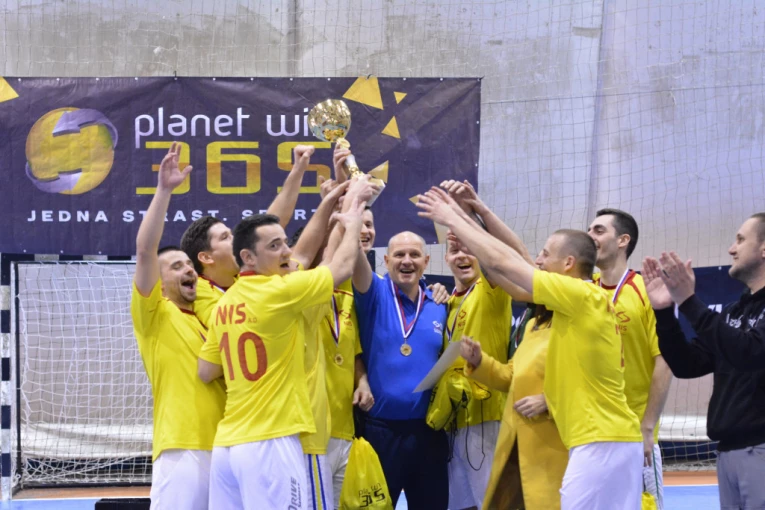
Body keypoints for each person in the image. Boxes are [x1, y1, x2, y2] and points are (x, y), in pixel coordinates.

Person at [416, 187, 643, 510]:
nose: (537, 260)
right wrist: (476, 215)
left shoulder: (583, 296)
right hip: (594, 440)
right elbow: (510, 263)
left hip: (602, 441)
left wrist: (453, 218)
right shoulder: (561, 310)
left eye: (545, 254)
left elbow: (506, 262)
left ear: (568, 263)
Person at [196, 185, 367, 509]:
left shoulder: (227, 301)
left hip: (228, 443)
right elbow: (341, 266)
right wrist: (354, 220)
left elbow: (206, 370)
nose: (287, 252)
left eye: (284, 242)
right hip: (271, 441)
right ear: (248, 257)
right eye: (275, 246)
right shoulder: (281, 292)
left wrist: (329, 202)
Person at [642, 213, 765, 510]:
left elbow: (749, 352)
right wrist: (664, 312)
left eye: (740, 239)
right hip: (728, 452)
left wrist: (689, 301)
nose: (731, 249)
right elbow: (688, 365)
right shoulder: (735, 311)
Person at [130, 143, 226, 510]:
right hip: (182, 448)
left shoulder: (209, 317)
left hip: (227, 447)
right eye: (176, 266)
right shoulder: (154, 315)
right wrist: (164, 191)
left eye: (189, 264)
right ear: (158, 282)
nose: (188, 269)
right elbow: (145, 250)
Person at [432, 180, 530, 510]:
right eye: (454, 249)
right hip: (454, 423)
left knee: (495, 504)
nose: (461, 255)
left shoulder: (491, 289)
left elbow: (503, 255)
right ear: (445, 258)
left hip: (488, 421)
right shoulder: (446, 302)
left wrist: (468, 213)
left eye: (468, 248)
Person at [352, 228, 450, 509]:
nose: (407, 261)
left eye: (414, 255)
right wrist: (352, 218)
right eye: (399, 254)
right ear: (386, 261)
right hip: (380, 432)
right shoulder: (374, 292)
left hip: (428, 432)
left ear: (426, 261)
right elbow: (355, 259)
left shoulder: (439, 303)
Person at [588, 208, 673, 508]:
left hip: (635, 433)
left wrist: (648, 427)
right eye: (589, 230)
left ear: (623, 240)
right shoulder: (583, 291)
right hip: (590, 430)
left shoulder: (645, 291)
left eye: (599, 230)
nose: (590, 236)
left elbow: (665, 361)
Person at [181, 145, 317, 328]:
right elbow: (225, 326)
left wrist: (298, 169)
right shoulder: (198, 289)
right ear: (206, 257)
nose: (235, 240)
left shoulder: (242, 277)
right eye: (225, 237)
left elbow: (271, 224)